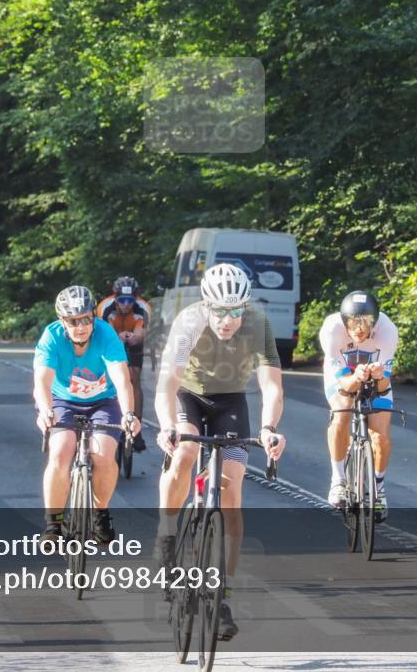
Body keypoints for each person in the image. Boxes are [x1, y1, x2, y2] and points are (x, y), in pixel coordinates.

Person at [154, 263, 286, 641]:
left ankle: (222, 592)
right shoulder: (189, 322)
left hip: (230, 402)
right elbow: (167, 385)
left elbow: (271, 386)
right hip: (188, 396)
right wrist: (167, 426)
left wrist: (269, 428)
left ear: (246, 306)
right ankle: (166, 535)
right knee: (183, 453)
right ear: (206, 304)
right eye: (219, 311)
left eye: (235, 311)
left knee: (231, 488)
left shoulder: (258, 324)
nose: (227, 320)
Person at [33, 285, 141, 545]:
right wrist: (45, 409)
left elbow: (122, 378)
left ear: (94, 317)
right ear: (63, 321)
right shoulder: (51, 337)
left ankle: (100, 514)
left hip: (103, 401)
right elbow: (42, 382)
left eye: (86, 319)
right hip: (63, 400)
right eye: (73, 321)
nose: (80, 327)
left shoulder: (106, 335)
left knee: (103, 453)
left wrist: (129, 414)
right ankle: (53, 524)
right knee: (61, 449)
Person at [318, 291, 398, 522]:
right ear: (344, 321)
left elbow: (383, 385)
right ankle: (339, 480)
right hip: (343, 377)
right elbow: (343, 381)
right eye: (353, 322)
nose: (360, 329)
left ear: (375, 320)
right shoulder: (332, 330)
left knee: (380, 435)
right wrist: (357, 377)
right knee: (341, 413)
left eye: (366, 322)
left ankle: (379, 489)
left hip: (375, 377)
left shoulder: (388, 330)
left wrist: (378, 374)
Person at [96, 275, 152, 451]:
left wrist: (135, 337)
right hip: (110, 340)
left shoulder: (143, 307)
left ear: (136, 298)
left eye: (130, 300)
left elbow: (142, 332)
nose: (126, 304)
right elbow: (103, 332)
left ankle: (137, 427)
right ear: (115, 297)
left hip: (134, 341)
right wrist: (117, 338)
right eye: (122, 300)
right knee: (111, 377)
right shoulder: (105, 307)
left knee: (133, 377)